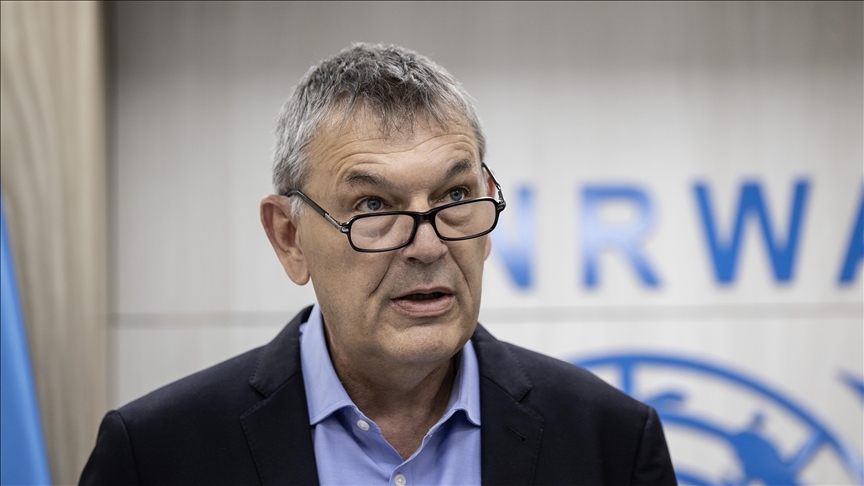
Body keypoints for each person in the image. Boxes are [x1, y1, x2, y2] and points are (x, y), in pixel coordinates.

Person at [81, 43, 676, 485]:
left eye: (454, 196)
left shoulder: (611, 442)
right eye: (373, 205)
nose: (428, 246)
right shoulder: (155, 456)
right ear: (289, 238)